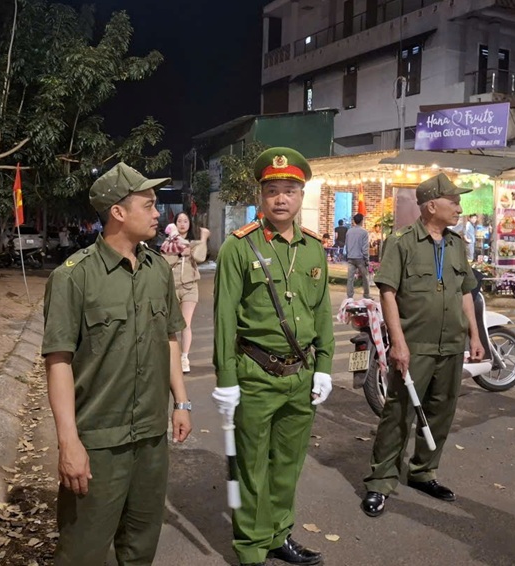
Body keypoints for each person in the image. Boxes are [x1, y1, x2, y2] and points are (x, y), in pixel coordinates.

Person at [41, 162, 192, 566]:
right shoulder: (73, 277)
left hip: (150, 437)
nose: (158, 213)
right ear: (118, 212)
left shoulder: (158, 270)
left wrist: (181, 402)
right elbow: (58, 361)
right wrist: (68, 442)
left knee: (140, 546)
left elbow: (170, 337)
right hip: (98, 441)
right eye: (149, 205)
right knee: (82, 552)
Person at [212, 147, 335, 566]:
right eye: (272, 191)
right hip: (255, 373)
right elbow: (225, 317)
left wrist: (324, 367)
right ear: (260, 196)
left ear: (301, 195)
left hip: (301, 376)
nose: (281, 199)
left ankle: (279, 534)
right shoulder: (238, 248)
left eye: (290, 190)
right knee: (250, 466)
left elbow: (321, 312)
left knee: (288, 464)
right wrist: (226, 379)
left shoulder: (314, 247)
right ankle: (250, 548)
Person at [361, 173, 485, 518]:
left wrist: (475, 336)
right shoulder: (401, 242)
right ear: (431, 206)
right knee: (398, 413)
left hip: (451, 344)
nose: (459, 208)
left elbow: (465, 292)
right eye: (453, 201)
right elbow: (388, 293)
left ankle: (423, 472)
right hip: (415, 344)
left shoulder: (456, 244)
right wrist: (398, 343)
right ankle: (380, 481)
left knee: (442, 410)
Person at [161, 211, 210, 373]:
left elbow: (200, 257)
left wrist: (203, 238)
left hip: (190, 287)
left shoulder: (194, 243)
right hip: (172, 287)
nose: (182, 224)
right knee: (171, 325)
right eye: (179, 221)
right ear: (175, 224)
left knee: (186, 324)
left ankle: (184, 357)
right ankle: (171, 357)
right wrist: (179, 251)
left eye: (185, 221)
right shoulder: (168, 243)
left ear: (190, 224)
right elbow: (165, 262)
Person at [345, 213, 371, 300]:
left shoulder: (349, 231)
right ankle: (366, 294)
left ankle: (349, 296)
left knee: (350, 278)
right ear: (362, 221)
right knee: (365, 277)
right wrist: (367, 260)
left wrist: (348, 254)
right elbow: (365, 248)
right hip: (360, 258)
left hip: (350, 257)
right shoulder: (364, 232)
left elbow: (347, 245)